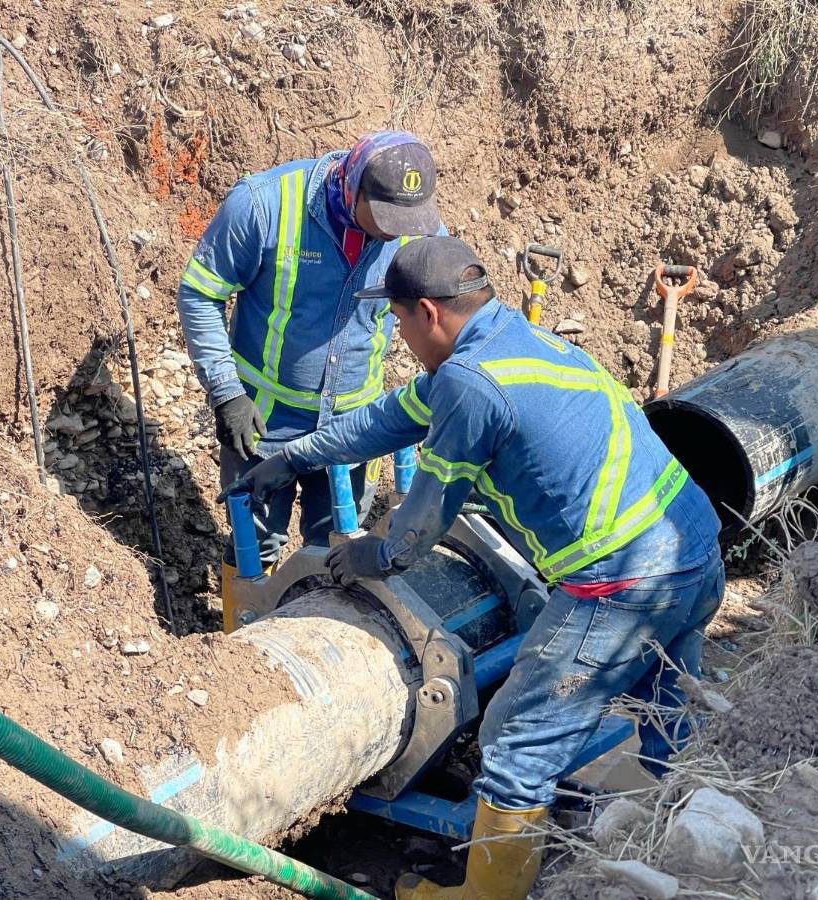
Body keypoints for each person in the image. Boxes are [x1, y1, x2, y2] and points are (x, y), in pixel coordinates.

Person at [222, 236, 724, 900]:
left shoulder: (469, 382)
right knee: (667, 702)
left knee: (516, 738)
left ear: (427, 312)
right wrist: (297, 456)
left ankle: (487, 895)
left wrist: (383, 554)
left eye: (397, 320)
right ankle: (691, 839)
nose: (399, 334)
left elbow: (430, 506)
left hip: (623, 585)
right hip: (695, 551)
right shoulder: (512, 343)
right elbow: (388, 418)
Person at [176, 131, 443, 631]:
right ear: (353, 188)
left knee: (337, 549)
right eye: (384, 221)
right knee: (255, 546)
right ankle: (245, 645)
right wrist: (227, 392)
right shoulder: (264, 205)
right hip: (263, 425)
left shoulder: (415, 228)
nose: (393, 235)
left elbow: (441, 310)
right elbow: (199, 293)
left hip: (353, 428)